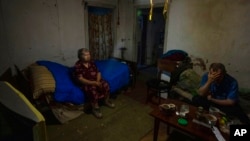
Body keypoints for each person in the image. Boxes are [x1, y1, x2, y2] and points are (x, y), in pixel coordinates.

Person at [173, 63, 250, 124]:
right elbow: (201, 93)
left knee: (238, 111)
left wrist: (212, 99)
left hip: (222, 103)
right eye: (212, 74)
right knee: (196, 99)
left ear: (224, 74)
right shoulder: (207, 76)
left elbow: (230, 102)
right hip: (209, 101)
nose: (214, 78)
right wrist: (209, 81)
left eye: (218, 76)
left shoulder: (232, 82)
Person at [74, 48, 115, 119]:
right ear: (80, 56)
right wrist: (94, 83)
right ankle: (95, 108)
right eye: (85, 55)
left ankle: (106, 101)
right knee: (92, 90)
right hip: (87, 83)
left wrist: (98, 81)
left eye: (89, 54)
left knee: (106, 84)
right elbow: (81, 79)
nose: (88, 56)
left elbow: (98, 72)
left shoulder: (92, 62)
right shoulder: (78, 65)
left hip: (96, 80)